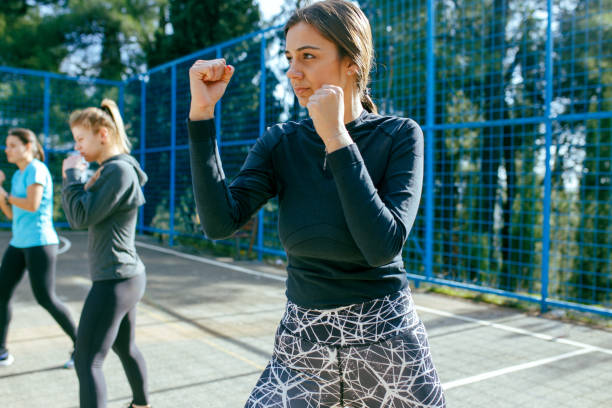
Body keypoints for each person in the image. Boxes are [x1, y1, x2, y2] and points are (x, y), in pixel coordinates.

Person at [187, 1, 446, 406]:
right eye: (290, 58)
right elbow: (220, 223)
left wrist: (337, 139)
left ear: (352, 63)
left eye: (308, 56)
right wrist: (201, 115)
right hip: (303, 345)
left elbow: (381, 246)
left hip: (386, 342)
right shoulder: (281, 142)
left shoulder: (399, 135)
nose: (293, 71)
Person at [61, 99, 151, 408]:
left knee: (87, 361)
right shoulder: (111, 170)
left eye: (80, 140)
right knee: (125, 348)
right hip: (124, 276)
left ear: (102, 134)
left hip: (115, 279)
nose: (76, 148)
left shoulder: (118, 172)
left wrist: (71, 177)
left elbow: (79, 218)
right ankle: (141, 404)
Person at [0, 128, 77, 368]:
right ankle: (2, 351)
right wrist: (1, 196)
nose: (7, 149)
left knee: (46, 298)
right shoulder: (17, 174)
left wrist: (6, 195)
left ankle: (81, 345)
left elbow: (32, 205)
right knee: (1, 295)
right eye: (6, 145)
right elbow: (13, 214)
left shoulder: (36, 169)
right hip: (19, 242)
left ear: (28, 146)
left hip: (40, 242)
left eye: (13, 145)